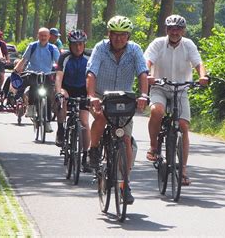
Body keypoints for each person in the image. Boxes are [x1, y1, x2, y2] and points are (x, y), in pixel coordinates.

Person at [86, 16, 149, 204]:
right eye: (115, 34)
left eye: (123, 35)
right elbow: (91, 73)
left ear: (128, 36)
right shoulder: (100, 48)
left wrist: (144, 95)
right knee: (101, 118)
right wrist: (92, 96)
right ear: (109, 34)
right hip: (101, 96)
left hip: (123, 98)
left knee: (126, 139)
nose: (118, 39)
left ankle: (125, 184)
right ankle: (94, 149)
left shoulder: (135, 50)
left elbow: (143, 73)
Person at [144, 14, 208, 186]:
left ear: (183, 30)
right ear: (166, 30)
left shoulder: (189, 45)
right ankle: (153, 147)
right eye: (171, 28)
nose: (174, 32)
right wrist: (149, 75)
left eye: (178, 29)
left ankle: (184, 170)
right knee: (157, 111)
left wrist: (203, 77)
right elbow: (147, 61)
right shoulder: (158, 44)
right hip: (160, 87)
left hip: (180, 89)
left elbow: (198, 63)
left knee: (184, 125)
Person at [54, 30, 91, 170]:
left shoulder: (90, 56)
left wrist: (91, 95)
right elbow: (58, 77)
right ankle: (61, 129)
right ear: (70, 45)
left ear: (84, 44)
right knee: (62, 98)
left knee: (85, 122)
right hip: (67, 88)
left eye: (81, 44)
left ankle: (85, 156)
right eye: (75, 44)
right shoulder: (64, 57)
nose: (78, 47)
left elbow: (93, 76)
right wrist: (58, 92)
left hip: (83, 89)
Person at [13, 27, 60, 132]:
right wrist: (16, 71)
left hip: (47, 74)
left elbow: (59, 63)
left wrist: (62, 71)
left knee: (48, 96)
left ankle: (47, 122)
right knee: (34, 85)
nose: (43, 38)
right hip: (33, 73)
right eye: (41, 35)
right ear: (38, 36)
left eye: (45, 36)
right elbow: (24, 60)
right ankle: (30, 107)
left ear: (49, 37)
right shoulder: (32, 46)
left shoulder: (53, 48)